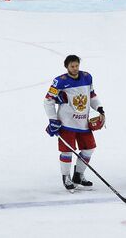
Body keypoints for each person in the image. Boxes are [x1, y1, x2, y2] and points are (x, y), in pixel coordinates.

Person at [42, 54, 104, 192]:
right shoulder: (60, 81)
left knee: (89, 149)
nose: (75, 68)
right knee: (67, 151)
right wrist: (53, 119)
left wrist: (99, 108)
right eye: (72, 66)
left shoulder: (87, 77)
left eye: (77, 65)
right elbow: (48, 100)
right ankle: (66, 177)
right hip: (66, 122)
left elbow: (92, 95)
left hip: (83, 122)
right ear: (67, 67)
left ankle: (78, 175)